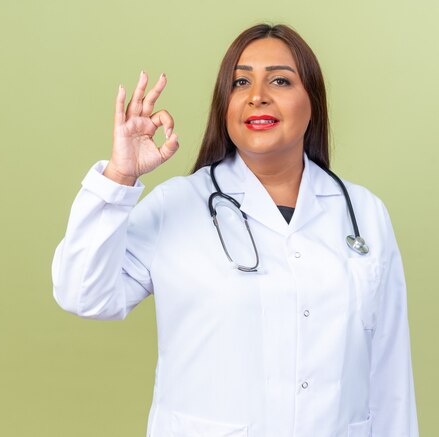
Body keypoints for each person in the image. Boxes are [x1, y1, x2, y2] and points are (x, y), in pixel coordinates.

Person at [52, 23, 418, 437]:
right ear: (224, 105)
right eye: (240, 81)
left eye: (280, 80)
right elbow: (82, 294)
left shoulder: (364, 215)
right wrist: (119, 175)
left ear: (312, 102)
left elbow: (390, 376)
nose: (257, 95)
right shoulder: (177, 205)